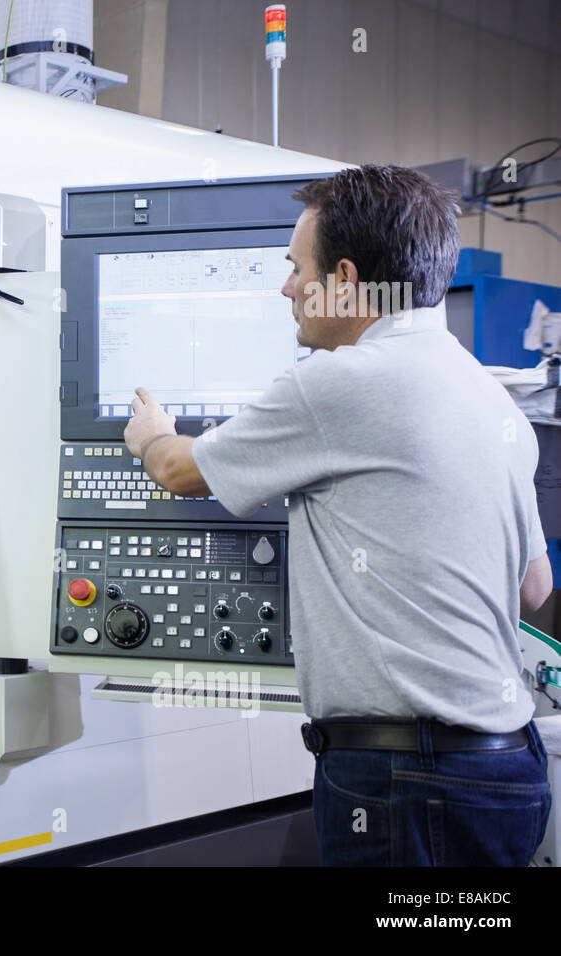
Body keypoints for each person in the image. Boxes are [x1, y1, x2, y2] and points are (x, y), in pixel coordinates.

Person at [122, 164, 554, 866]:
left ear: (347, 280)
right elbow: (533, 588)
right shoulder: (488, 395)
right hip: (508, 771)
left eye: (297, 270)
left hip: (407, 784)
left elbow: (179, 470)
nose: (287, 288)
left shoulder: (339, 383)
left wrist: (151, 433)